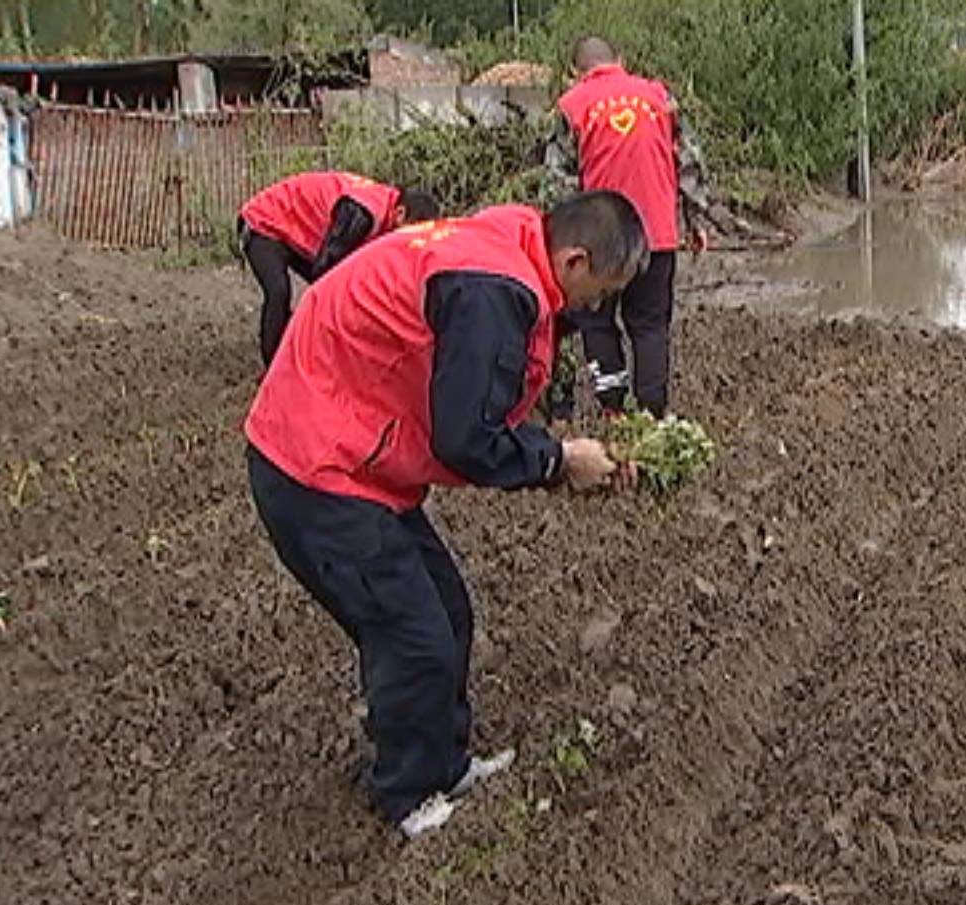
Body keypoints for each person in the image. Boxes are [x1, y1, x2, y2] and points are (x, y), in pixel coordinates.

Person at [244, 191, 646, 838]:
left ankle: (445, 763)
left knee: (448, 609)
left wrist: (563, 457)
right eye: (600, 291)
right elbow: (466, 438)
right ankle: (407, 795)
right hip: (314, 463)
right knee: (413, 630)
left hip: (357, 453)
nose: (594, 309)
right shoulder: (490, 290)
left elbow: (485, 400)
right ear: (574, 260)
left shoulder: (510, 248)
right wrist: (558, 461)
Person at [556, 36, 716, 417]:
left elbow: (558, 184)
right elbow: (690, 163)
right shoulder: (659, 98)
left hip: (599, 243)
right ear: (621, 61)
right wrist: (696, 222)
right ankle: (653, 417)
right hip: (657, 235)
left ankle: (614, 412)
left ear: (575, 74)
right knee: (649, 326)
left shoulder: (572, 106)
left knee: (595, 321)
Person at [238, 170, 439, 368]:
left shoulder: (385, 208)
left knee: (336, 292)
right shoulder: (362, 214)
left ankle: (297, 343)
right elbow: (324, 270)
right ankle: (274, 368)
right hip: (262, 221)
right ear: (400, 214)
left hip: (295, 230)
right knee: (280, 292)